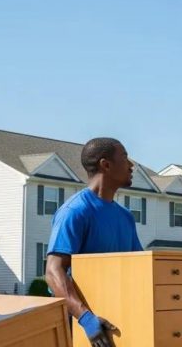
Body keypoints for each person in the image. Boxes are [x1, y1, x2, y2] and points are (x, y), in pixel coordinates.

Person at [45, 137, 142, 347]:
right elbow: (53, 271)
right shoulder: (75, 211)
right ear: (105, 164)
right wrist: (86, 319)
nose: (131, 165)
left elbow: (140, 268)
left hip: (120, 321)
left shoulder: (125, 217)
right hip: (84, 328)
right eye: (125, 157)